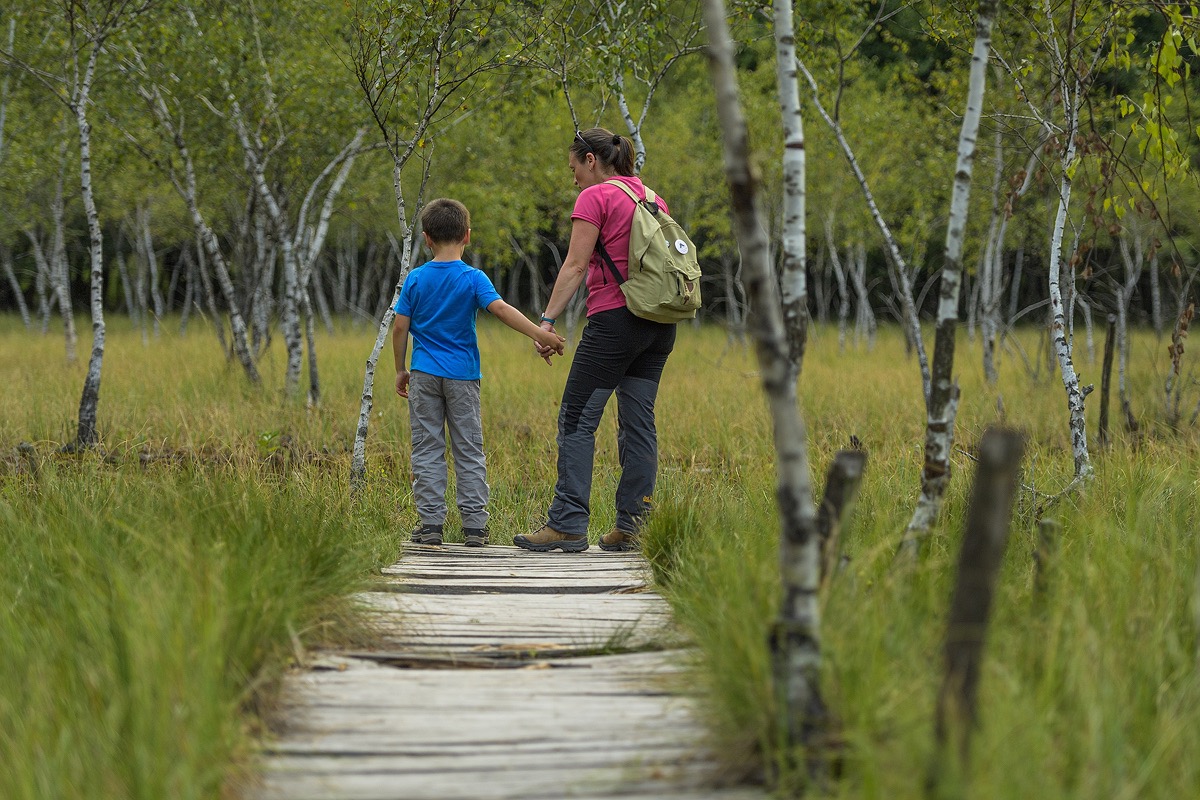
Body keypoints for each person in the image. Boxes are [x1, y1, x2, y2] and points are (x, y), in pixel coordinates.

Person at [513, 128, 678, 554]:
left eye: (574, 168)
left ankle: (567, 523)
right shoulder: (652, 197)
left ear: (591, 160)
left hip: (616, 322)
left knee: (576, 418)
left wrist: (546, 322)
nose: (573, 179)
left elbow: (574, 265)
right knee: (638, 423)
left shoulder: (596, 196)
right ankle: (633, 524)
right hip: (659, 324)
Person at [393, 198, 564, 547]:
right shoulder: (473, 278)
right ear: (467, 236)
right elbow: (500, 309)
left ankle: (431, 525)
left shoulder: (416, 279)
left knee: (427, 448)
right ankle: (474, 527)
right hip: (463, 376)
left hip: (423, 373)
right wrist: (540, 334)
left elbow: (399, 327)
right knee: (469, 448)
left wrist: (400, 369)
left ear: (427, 239)